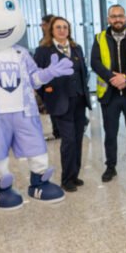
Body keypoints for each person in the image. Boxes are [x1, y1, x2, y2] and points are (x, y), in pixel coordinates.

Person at [90, 3, 126, 181]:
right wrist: (112, 78)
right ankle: (110, 167)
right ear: (108, 19)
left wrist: (125, 77)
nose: (117, 19)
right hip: (110, 94)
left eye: (120, 16)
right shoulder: (99, 38)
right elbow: (95, 62)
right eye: (114, 16)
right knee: (110, 134)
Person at [34, 16, 89, 191]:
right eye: (58, 27)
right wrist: (47, 96)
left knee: (78, 139)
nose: (62, 30)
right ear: (51, 30)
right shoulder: (43, 51)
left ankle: (75, 175)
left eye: (65, 27)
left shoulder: (76, 48)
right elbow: (37, 78)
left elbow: (83, 72)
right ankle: (66, 179)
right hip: (60, 102)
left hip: (79, 100)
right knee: (69, 140)